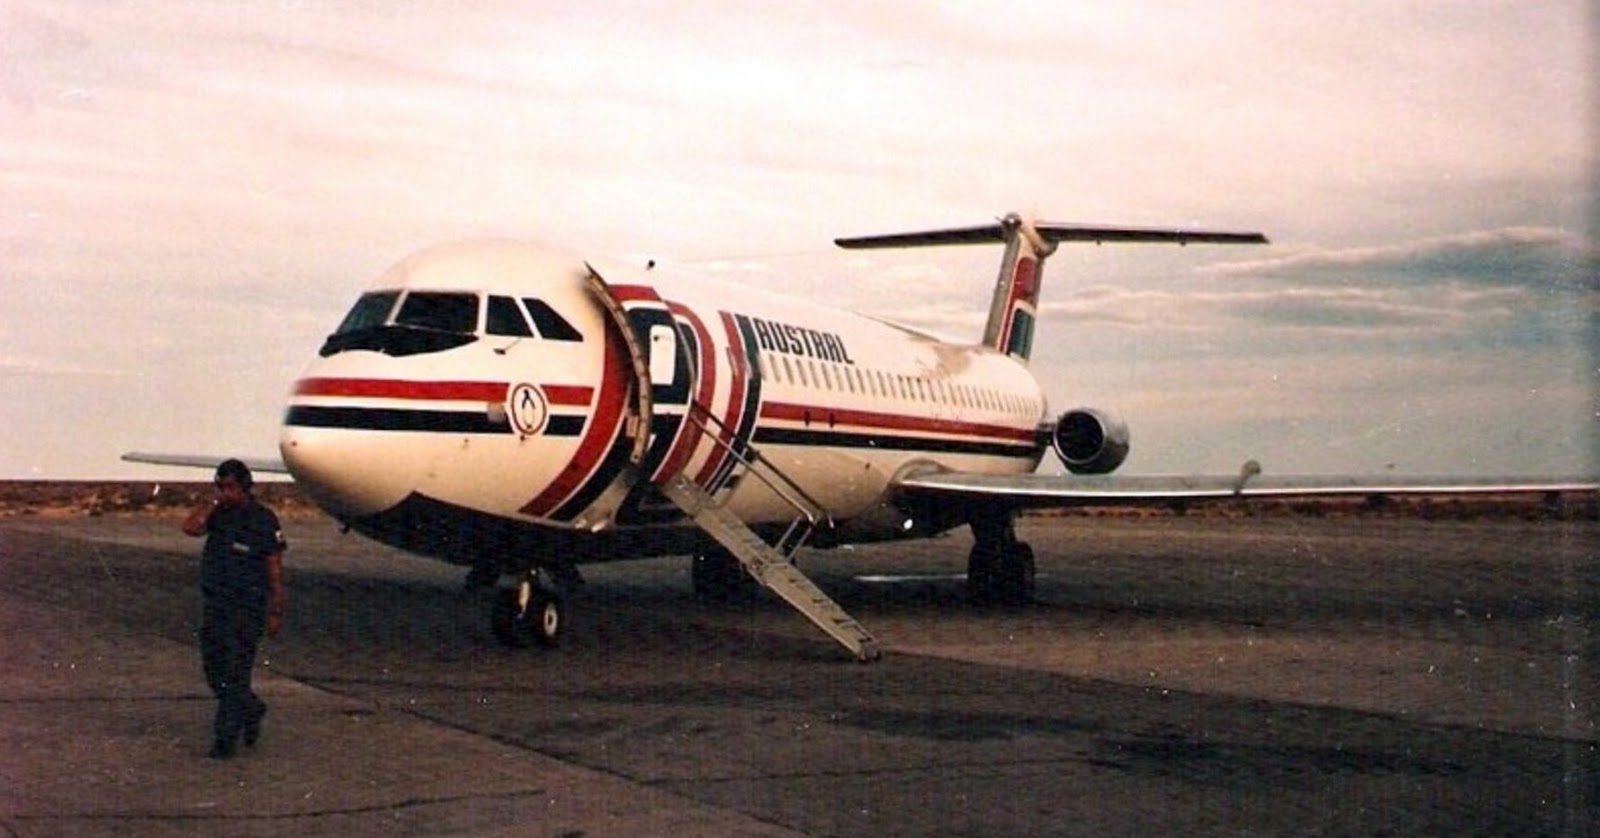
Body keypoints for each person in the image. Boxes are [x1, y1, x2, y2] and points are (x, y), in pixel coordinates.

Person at [182, 459, 286, 760]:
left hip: (248, 606)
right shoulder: (219, 514)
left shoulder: (263, 519)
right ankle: (251, 709)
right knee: (214, 669)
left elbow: (274, 567)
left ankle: (224, 740)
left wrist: (275, 610)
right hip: (217, 604)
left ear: (244, 486)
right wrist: (213, 502)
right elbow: (190, 528)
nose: (224, 492)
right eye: (219, 486)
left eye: (229, 487)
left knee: (236, 672)